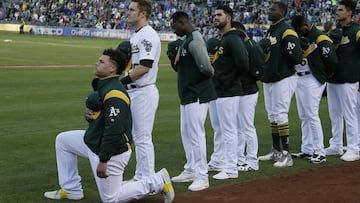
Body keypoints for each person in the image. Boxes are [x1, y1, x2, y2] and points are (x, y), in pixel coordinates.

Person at [43, 48, 175, 203]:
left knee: (111, 199)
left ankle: (157, 181)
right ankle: (71, 189)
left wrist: (104, 160)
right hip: (93, 142)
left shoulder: (115, 93)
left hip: (112, 152)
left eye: (101, 62)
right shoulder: (104, 86)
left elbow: (114, 130)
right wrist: (91, 117)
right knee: (63, 141)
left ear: (112, 68)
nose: (96, 63)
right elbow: (101, 119)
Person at [167, 11, 217, 191]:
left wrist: (202, 79)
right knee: (187, 133)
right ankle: (191, 168)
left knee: (195, 135)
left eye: (174, 26)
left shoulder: (194, 40)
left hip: (197, 93)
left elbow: (206, 67)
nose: (173, 30)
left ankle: (202, 176)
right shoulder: (188, 40)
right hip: (188, 94)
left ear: (182, 22)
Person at [257, 2, 302, 167]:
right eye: (269, 8)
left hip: (283, 77)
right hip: (270, 77)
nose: (269, 11)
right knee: (272, 115)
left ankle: (287, 155)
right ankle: (276, 150)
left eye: (273, 9)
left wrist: (282, 65)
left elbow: (297, 56)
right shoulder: (272, 29)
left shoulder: (287, 30)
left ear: (282, 12)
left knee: (281, 114)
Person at [120, 0, 161, 180]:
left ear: (142, 13)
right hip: (135, 91)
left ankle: (149, 180)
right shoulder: (137, 35)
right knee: (138, 137)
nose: (127, 12)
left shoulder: (147, 35)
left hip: (143, 91)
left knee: (143, 138)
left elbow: (145, 66)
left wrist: (122, 82)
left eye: (131, 10)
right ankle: (140, 176)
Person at [290, 15, 338, 164]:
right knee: (304, 115)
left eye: (299, 29)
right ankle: (307, 149)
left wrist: (325, 75)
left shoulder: (319, 37)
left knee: (311, 115)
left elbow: (332, 60)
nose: (298, 32)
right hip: (300, 77)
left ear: (305, 24)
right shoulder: (308, 35)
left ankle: (320, 152)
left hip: (312, 78)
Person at [209, 5, 250, 180]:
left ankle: (231, 168)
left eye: (219, 15)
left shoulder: (233, 39)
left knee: (228, 130)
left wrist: (228, 78)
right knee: (218, 129)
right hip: (218, 89)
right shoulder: (222, 38)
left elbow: (243, 64)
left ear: (229, 17)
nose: (215, 18)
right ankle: (218, 161)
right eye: (214, 15)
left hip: (229, 90)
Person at [325, 0, 360, 161]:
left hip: (349, 79)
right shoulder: (336, 31)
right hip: (333, 78)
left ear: (350, 13)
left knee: (349, 114)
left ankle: (354, 147)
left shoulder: (356, 31)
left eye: (340, 10)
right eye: (337, 9)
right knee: (335, 114)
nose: (337, 12)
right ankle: (336, 145)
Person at [232, 21, 261, 172]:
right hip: (239, 90)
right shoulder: (243, 45)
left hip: (248, 90)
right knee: (238, 127)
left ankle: (252, 160)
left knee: (247, 126)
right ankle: (239, 158)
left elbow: (258, 71)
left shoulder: (251, 46)